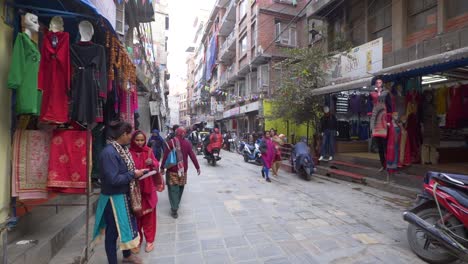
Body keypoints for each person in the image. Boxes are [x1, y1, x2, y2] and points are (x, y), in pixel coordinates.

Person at [92, 121, 144, 264]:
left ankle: (127, 255)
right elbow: (113, 179)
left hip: (123, 195)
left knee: (125, 228)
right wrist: (133, 175)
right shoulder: (109, 153)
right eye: (129, 135)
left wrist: (136, 173)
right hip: (113, 199)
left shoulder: (121, 149)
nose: (131, 138)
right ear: (123, 134)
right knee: (113, 233)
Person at [129, 131, 165, 254]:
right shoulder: (129, 153)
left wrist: (153, 163)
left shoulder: (148, 151)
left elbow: (156, 166)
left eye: (141, 140)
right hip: (134, 191)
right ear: (133, 140)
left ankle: (150, 241)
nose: (139, 142)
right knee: (136, 218)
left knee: (149, 218)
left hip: (148, 191)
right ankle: (138, 240)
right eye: (137, 140)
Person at [161, 127, 201, 219]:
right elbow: (192, 156)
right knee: (180, 188)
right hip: (183, 171)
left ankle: (174, 208)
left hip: (172, 171)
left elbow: (166, 155)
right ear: (184, 134)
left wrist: (162, 167)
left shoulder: (171, 142)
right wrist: (197, 167)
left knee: (173, 189)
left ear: (176, 133)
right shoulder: (187, 143)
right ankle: (176, 204)